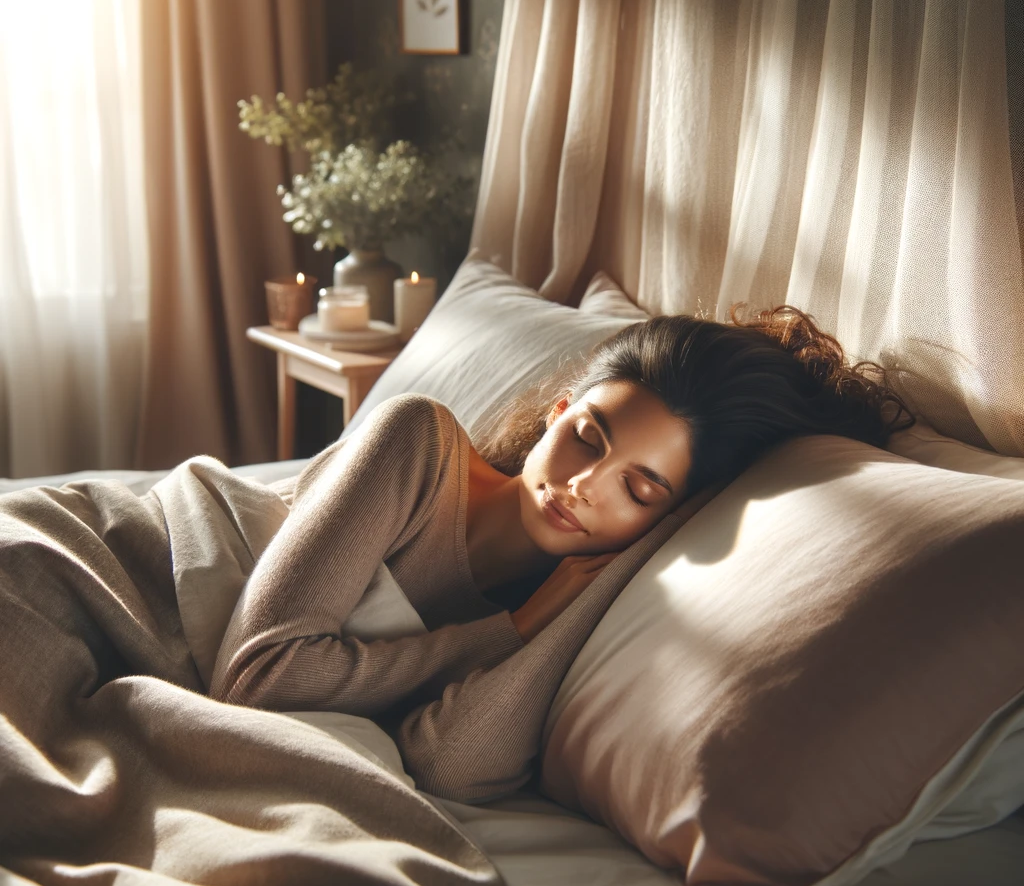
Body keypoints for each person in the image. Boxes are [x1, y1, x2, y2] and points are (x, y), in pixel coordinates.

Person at [206, 303, 912, 799]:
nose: (580, 486)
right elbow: (258, 680)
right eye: (587, 436)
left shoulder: (570, 601)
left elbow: (453, 763)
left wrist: (587, 591)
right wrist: (508, 629)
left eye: (638, 488)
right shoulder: (416, 441)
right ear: (556, 414)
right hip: (121, 571)